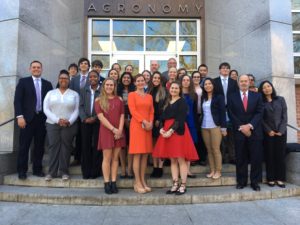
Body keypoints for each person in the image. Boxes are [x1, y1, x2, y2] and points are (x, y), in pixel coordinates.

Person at [153, 82, 199, 195]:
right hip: (167, 131)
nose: (173, 89)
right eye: (172, 88)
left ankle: (183, 185)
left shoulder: (182, 102)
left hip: (178, 131)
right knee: (172, 159)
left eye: (176, 88)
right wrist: (161, 128)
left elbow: (180, 118)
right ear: (169, 89)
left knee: (180, 159)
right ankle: (175, 183)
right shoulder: (166, 102)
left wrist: (170, 131)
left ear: (180, 90)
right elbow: (162, 117)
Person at [14, 60, 53, 180]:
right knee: (24, 146)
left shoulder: (47, 84)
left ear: (42, 69)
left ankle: (37, 169)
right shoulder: (23, 82)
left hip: (41, 119)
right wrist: (19, 117)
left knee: (39, 146)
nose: (36, 69)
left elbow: (50, 102)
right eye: (34, 67)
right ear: (30, 69)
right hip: (26, 119)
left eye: (38, 67)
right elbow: (18, 100)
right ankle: (22, 171)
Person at [228, 74, 263, 191]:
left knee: (256, 158)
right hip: (239, 132)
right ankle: (241, 181)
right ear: (238, 83)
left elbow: (259, 113)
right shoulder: (232, 96)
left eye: (245, 81)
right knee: (241, 157)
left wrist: (249, 126)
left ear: (249, 82)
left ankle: (255, 182)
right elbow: (231, 113)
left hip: (254, 131)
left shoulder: (257, 96)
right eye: (241, 81)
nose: (243, 83)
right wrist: (242, 127)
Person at [44, 70, 79, 181]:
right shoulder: (51, 93)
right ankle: (51, 172)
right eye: (61, 78)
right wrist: (57, 120)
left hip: (69, 125)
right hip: (52, 124)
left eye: (66, 78)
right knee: (53, 147)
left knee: (66, 147)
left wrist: (69, 121)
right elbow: (46, 109)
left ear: (69, 80)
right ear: (58, 80)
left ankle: (64, 172)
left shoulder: (74, 94)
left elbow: (76, 110)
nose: (63, 80)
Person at [95, 78, 126, 194]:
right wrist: (114, 130)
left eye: (111, 85)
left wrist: (120, 130)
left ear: (114, 86)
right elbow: (100, 117)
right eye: (107, 85)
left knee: (115, 159)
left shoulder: (119, 100)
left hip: (118, 132)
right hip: (107, 131)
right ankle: (106, 182)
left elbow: (122, 115)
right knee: (107, 158)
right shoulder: (98, 100)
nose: (109, 87)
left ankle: (113, 182)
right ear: (103, 86)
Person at [128, 74, 154, 194]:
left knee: (145, 154)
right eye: (138, 81)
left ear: (145, 82)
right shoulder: (131, 95)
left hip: (147, 127)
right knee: (137, 154)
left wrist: (150, 122)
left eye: (142, 80)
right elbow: (132, 110)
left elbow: (151, 111)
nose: (140, 82)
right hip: (137, 126)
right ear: (134, 83)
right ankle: (137, 182)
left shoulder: (149, 96)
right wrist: (143, 121)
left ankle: (143, 180)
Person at [258, 81, 287, 188]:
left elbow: (284, 116)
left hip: (281, 133)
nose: (267, 89)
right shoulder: (260, 102)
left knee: (280, 155)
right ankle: (270, 178)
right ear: (262, 90)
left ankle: (280, 178)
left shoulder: (280, 99)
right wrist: (268, 130)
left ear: (272, 87)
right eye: (264, 87)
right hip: (268, 133)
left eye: (268, 86)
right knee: (269, 155)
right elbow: (261, 119)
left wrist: (281, 130)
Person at [201, 78, 227, 179]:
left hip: (216, 126)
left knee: (216, 149)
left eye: (209, 84)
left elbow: (222, 113)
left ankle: (218, 171)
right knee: (209, 150)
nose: (207, 86)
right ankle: (212, 170)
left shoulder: (219, 97)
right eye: (205, 84)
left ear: (213, 85)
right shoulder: (203, 98)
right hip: (204, 127)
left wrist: (224, 128)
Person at [214, 62, 239, 164]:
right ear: (219, 70)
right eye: (223, 68)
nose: (225, 70)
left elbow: (236, 96)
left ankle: (232, 157)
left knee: (231, 135)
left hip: (231, 111)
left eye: (227, 68)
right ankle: (223, 157)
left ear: (229, 70)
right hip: (219, 111)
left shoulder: (233, 82)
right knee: (221, 135)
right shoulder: (214, 81)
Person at [79, 70, 102, 179]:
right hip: (86, 122)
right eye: (90, 76)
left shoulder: (103, 91)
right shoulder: (83, 90)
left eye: (95, 76)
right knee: (86, 146)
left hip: (99, 122)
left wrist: (95, 118)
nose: (92, 78)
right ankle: (86, 171)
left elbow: (105, 107)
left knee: (97, 146)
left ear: (98, 78)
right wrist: (85, 118)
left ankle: (95, 171)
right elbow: (80, 106)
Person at [69, 57, 91, 166]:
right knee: (77, 135)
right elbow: (71, 94)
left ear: (88, 66)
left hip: (88, 112)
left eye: (86, 63)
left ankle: (86, 158)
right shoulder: (74, 79)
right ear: (79, 66)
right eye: (81, 63)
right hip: (75, 112)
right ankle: (77, 158)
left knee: (86, 136)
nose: (83, 65)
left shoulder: (92, 78)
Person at [148, 71, 167, 178]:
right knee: (153, 145)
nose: (156, 80)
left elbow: (165, 107)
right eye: (154, 78)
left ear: (160, 80)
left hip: (160, 121)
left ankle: (160, 167)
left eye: (158, 78)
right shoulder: (149, 91)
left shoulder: (164, 91)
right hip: (151, 120)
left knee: (161, 145)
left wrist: (159, 119)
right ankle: (155, 167)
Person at [117, 72, 136, 179]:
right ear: (121, 79)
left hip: (132, 119)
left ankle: (130, 169)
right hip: (119, 119)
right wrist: (123, 119)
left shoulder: (134, 90)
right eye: (124, 77)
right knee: (121, 145)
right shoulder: (117, 90)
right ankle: (123, 169)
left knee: (130, 145)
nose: (126, 79)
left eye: (128, 77)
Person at [181, 75, 199, 178]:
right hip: (180, 123)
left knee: (189, 146)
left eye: (188, 80)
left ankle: (187, 170)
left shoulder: (194, 95)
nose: (186, 82)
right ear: (181, 81)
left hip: (191, 122)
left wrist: (196, 125)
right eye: (184, 80)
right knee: (180, 146)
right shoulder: (177, 93)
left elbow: (195, 111)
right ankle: (181, 170)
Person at [191, 71, 207, 166]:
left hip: (203, 115)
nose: (196, 78)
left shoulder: (203, 89)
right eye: (194, 77)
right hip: (193, 115)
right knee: (194, 136)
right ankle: (194, 158)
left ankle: (202, 158)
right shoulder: (190, 90)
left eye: (198, 77)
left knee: (202, 137)